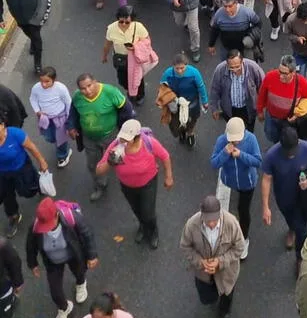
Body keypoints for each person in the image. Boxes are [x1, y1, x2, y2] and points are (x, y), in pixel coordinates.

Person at [96, 119, 173, 249]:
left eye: (127, 139)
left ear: (137, 138)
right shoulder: (116, 146)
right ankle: (142, 226)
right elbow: (99, 171)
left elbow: (165, 156)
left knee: (148, 213)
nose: (123, 142)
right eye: (122, 138)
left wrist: (168, 177)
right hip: (127, 185)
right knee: (136, 209)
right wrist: (110, 162)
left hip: (148, 183)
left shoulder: (149, 143)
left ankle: (153, 231)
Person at [26, 196, 98, 318]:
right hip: (52, 261)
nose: (45, 229)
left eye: (48, 225)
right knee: (55, 290)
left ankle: (81, 283)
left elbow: (87, 234)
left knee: (79, 271)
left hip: (72, 254)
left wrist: (91, 255)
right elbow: (30, 245)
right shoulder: (35, 226)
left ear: (57, 215)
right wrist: (33, 263)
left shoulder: (72, 218)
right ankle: (64, 308)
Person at [180, 195, 244, 318]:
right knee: (207, 299)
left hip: (227, 273)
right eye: (208, 220)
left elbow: (239, 247)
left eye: (214, 220)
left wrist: (220, 262)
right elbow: (185, 247)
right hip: (204, 273)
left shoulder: (231, 223)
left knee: (227, 294)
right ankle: (213, 299)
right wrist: (200, 262)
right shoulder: (192, 225)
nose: (211, 224)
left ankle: (225, 313)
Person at [261, 126, 307, 261]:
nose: (291, 154)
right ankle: (291, 228)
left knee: (302, 230)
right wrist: (265, 207)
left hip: (304, 197)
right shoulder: (271, 155)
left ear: (298, 142)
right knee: (291, 219)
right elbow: (266, 179)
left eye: (293, 150)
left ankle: (301, 258)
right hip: (284, 198)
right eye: (287, 151)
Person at [67, 74, 129, 202]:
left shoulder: (110, 92)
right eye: (83, 88)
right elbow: (73, 113)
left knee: (117, 158)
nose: (87, 91)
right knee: (93, 164)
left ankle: (127, 180)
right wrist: (71, 127)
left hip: (110, 136)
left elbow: (126, 110)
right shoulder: (77, 97)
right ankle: (100, 185)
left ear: (95, 82)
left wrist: (127, 133)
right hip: (89, 138)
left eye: (89, 86)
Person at [211, 117, 262, 260]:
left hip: (247, 183)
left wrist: (241, 155)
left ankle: (244, 239)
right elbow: (214, 163)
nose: (235, 142)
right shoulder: (222, 141)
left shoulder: (251, 139)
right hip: (230, 180)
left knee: (243, 211)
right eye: (232, 139)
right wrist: (225, 153)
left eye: (237, 139)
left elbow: (257, 161)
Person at [0, 0, 50, 74]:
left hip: (35, 16)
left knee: (37, 39)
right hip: (20, 17)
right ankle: (32, 41)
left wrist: (42, 13)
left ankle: (37, 64)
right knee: (29, 34)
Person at [0, 118, 48, 239]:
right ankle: (14, 217)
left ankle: (38, 185)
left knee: (27, 192)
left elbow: (31, 147)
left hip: (21, 168)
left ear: (2, 125)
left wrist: (42, 161)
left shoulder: (15, 134)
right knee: (6, 196)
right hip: (2, 173)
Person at [102, 6, 151, 106]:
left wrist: (135, 47)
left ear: (132, 20)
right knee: (122, 80)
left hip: (134, 59)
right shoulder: (111, 28)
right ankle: (131, 89)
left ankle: (140, 95)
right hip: (120, 59)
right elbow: (107, 44)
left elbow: (147, 41)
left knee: (137, 79)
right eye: (121, 21)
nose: (124, 24)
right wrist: (104, 56)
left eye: (127, 22)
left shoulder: (139, 27)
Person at [158, 53, 209, 147]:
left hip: (192, 103)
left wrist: (205, 101)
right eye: (177, 68)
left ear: (187, 65)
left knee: (192, 121)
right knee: (175, 124)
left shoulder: (194, 73)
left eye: (182, 68)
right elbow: (162, 86)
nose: (179, 71)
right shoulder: (168, 73)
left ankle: (190, 133)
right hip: (175, 105)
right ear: (173, 66)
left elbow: (201, 87)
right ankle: (181, 132)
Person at [209, 50, 264, 131]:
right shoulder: (220, 69)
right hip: (229, 109)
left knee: (249, 129)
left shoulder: (253, 67)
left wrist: (260, 110)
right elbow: (214, 90)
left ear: (242, 61)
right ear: (227, 63)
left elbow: (263, 88)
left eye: (237, 66)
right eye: (231, 67)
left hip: (248, 108)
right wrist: (214, 108)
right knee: (233, 129)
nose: (234, 70)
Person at [30, 66, 72, 168]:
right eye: (41, 81)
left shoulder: (61, 88)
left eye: (47, 81)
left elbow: (68, 102)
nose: (43, 84)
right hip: (45, 119)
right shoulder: (36, 88)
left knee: (60, 139)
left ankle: (63, 155)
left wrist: (69, 119)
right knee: (49, 137)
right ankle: (63, 146)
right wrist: (37, 111)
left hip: (60, 118)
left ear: (54, 79)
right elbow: (33, 99)